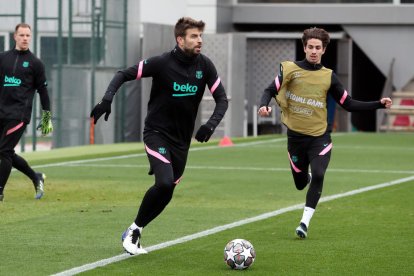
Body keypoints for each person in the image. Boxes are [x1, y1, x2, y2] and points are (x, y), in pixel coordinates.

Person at [90, 17, 228, 255]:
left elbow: (222, 100)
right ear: (180, 39)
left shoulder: (205, 66)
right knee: (163, 183)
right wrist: (106, 99)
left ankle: (135, 229)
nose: (200, 41)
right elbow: (123, 74)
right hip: (156, 133)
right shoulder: (162, 63)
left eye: (200, 36)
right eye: (194, 36)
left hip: (182, 142)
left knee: (167, 191)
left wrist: (210, 125)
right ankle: (133, 233)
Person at [258, 27, 392, 239]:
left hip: (320, 137)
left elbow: (348, 104)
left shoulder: (329, 76)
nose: (313, 51)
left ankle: (304, 223)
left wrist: (379, 104)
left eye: (317, 47)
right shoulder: (290, 70)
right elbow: (269, 90)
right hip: (295, 138)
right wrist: (264, 105)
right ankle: (303, 174)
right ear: (304, 47)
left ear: (324, 50)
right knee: (301, 183)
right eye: (310, 47)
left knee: (319, 174)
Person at [0, 23, 53, 202]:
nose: (25, 38)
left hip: (19, 115)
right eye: (21, 35)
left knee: (4, 151)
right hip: (1, 112)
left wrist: (46, 116)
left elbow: (43, 92)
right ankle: (35, 176)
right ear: (15, 36)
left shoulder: (36, 64)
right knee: (5, 152)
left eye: (27, 36)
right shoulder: (3, 58)